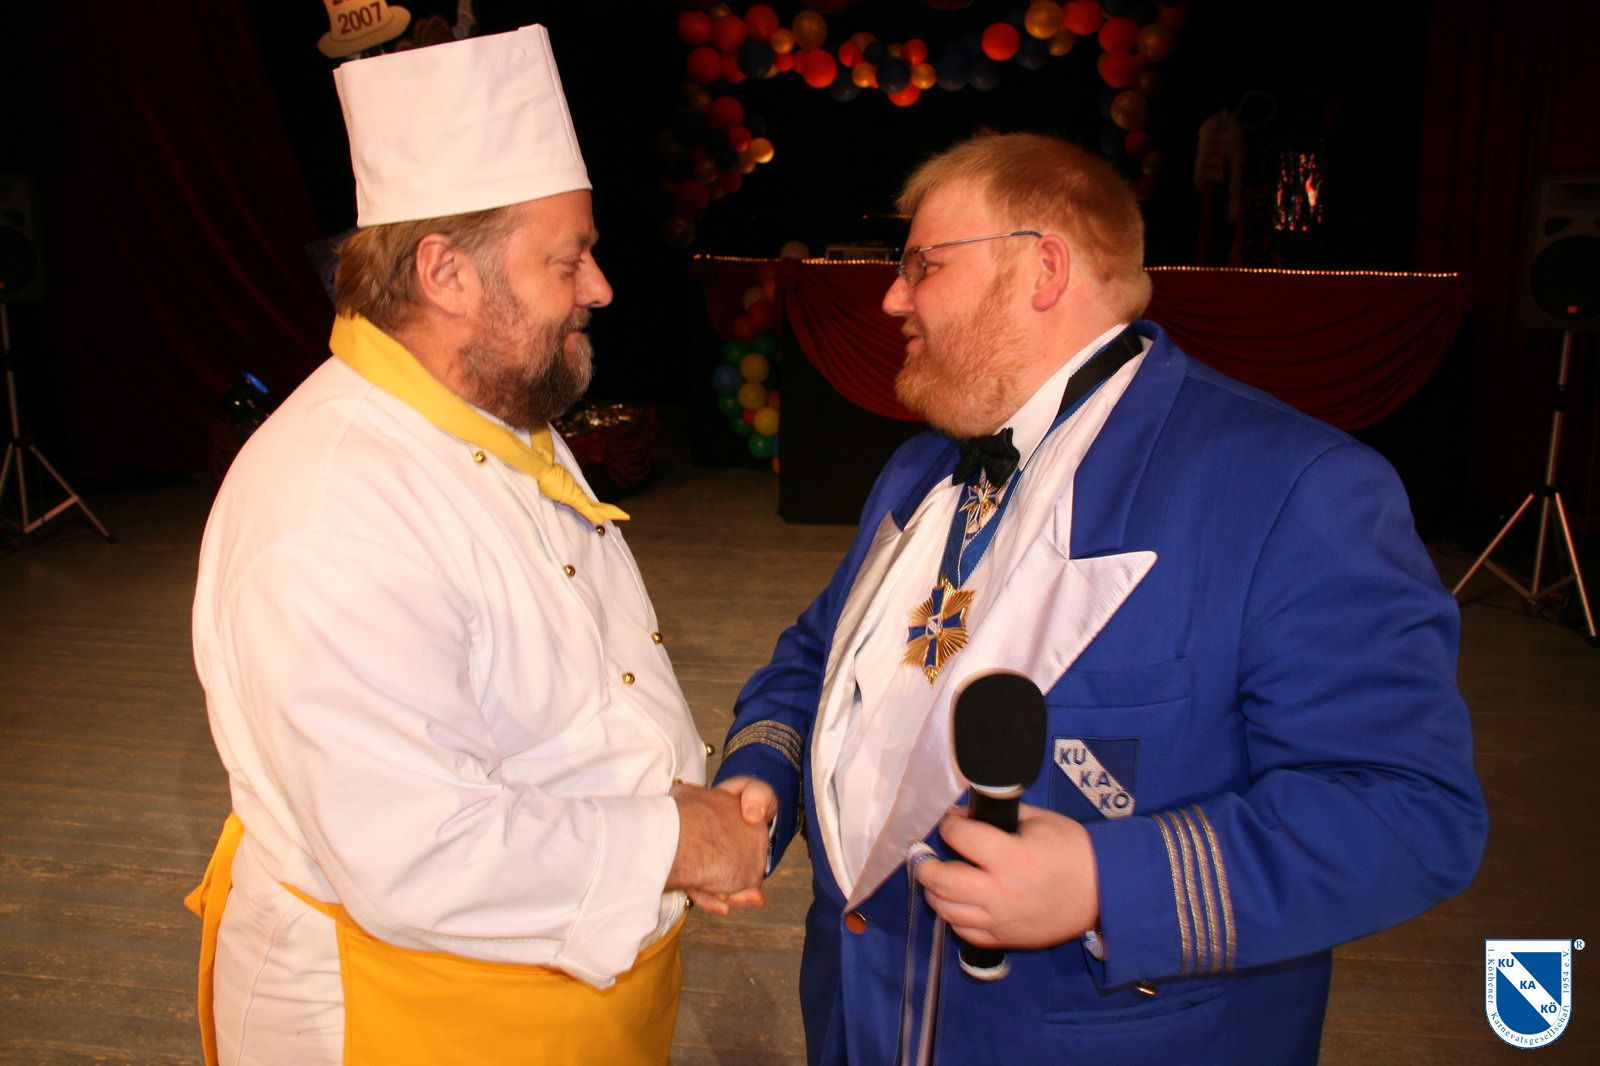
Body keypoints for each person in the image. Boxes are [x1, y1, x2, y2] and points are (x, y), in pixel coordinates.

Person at [714, 132, 1488, 1065]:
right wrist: (759, 781)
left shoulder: (1295, 487)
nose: (891, 297)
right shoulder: (917, 467)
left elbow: (1408, 809)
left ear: (1044, 269)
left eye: (921, 264)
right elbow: (819, 654)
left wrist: (1105, 882)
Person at [187, 26, 766, 1066]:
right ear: (446, 273)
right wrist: (677, 839)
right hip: (410, 1014)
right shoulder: (334, 511)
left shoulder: (496, 410)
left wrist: (676, 812)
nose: (600, 287)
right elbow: (417, 850)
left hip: (567, 991)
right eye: (567, 259)